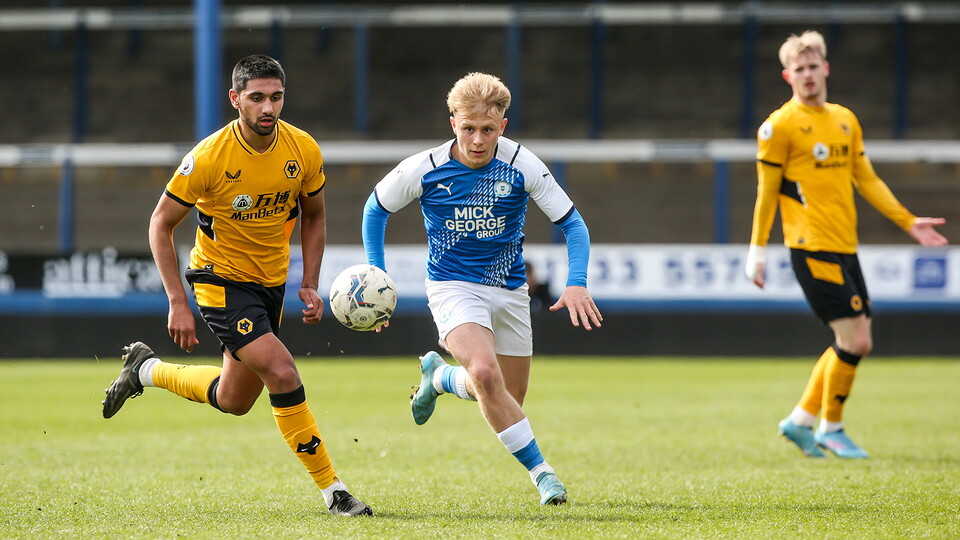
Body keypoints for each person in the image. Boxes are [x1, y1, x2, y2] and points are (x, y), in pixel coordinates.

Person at [101, 54, 372, 516]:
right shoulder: (209, 157)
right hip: (220, 281)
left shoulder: (302, 149)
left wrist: (309, 281)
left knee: (235, 399)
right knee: (282, 372)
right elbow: (160, 224)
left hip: (270, 283)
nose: (268, 108)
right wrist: (177, 301)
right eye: (257, 98)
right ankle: (334, 491)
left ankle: (145, 370)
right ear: (235, 99)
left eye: (276, 97)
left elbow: (315, 214)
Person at [361, 72, 603, 505]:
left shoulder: (522, 164)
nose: (477, 140)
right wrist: (377, 275)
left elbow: (573, 224)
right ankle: (544, 475)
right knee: (487, 376)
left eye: (488, 130)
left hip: (510, 291)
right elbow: (375, 208)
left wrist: (577, 283)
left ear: (502, 126)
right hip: (452, 286)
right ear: (452, 122)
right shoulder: (424, 168)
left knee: (504, 396)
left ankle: (441, 377)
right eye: (468, 128)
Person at [745, 31, 948, 459]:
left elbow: (867, 179)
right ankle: (830, 427)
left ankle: (801, 421)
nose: (807, 75)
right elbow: (767, 192)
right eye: (798, 69)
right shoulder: (779, 126)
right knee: (857, 341)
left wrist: (908, 222)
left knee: (852, 340)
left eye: (812, 66)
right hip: (810, 246)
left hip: (844, 246)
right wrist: (757, 251)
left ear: (826, 69)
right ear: (787, 76)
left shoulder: (845, 120)